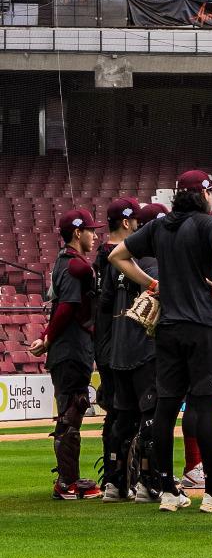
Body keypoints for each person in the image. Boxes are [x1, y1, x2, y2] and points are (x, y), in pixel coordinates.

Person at [110, 170, 212, 513]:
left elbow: (117, 256)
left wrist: (150, 284)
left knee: (166, 409)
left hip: (168, 328)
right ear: (202, 194)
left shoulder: (160, 226)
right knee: (206, 409)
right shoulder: (208, 223)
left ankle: (167, 489)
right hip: (204, 327)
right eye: (210, 192)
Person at [31, 208, 103, 499]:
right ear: (77, 233)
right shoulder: (73, 265)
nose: (95, 234)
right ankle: (67, 483)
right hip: (70, 350)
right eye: (90, 230)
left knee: (71, 412)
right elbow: (67, 307)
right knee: (71, 413)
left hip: (71, 349)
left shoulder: (65, 264)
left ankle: (68, 479)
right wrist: (47, 338)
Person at [111, 202, 165, 502]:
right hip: (146, 349)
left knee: (123, 419)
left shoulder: (117, 263)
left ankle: (116, 483)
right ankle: (149, 482)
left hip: (118, 350)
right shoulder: (156, 264)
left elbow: (106, 307)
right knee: (150, 417)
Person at [96, 196, 140, 500]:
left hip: (107, 343)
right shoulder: (123, 257)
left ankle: (113, 479)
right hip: (123, 344)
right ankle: (133, 478)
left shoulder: (101, 256)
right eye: (135, 221)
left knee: (116, 413)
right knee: (130, 413)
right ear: (126, 222)